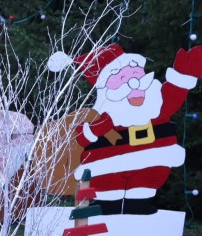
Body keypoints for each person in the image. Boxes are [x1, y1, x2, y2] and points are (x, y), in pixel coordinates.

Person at [48, 44, 202, 214]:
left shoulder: (155, 102)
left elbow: (174, 93)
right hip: (107, 165)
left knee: (145, 180)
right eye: (122, 78)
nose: (133, 83)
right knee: (107, 185)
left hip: (151, 160)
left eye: (136, 73)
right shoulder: (101, 115)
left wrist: (184, 73)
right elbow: (82, 138)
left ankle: (137, 202)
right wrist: (97, 129)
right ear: (106, 87)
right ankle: (107, 203)